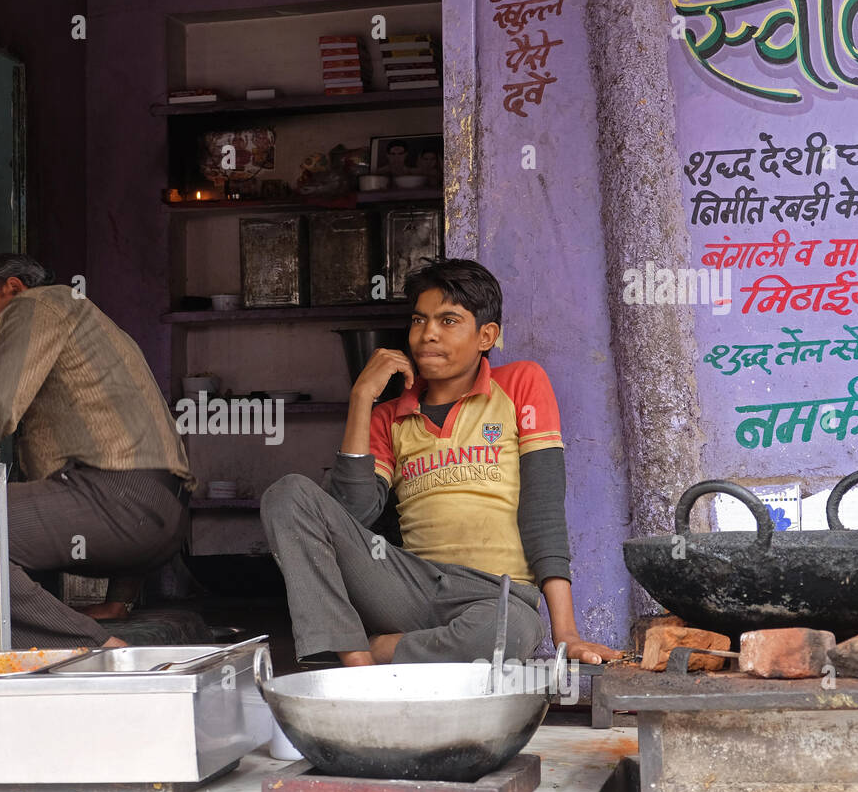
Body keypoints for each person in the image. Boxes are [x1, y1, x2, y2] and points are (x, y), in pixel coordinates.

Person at [260, 259, 620, 667]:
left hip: (496, 596)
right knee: (288, 494)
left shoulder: (520, 384)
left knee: (510, 632)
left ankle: (381, 651)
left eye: (448, 321)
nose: (428, 333)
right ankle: (355, 660)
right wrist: (361, 398)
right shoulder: (388, 417)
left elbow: (544, 512)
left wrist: (566, 634)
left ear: (486, 336)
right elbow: (352, 515)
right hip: (407, 587)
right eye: (419, 320)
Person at [0, 254, 194, 649]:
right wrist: (119, 599)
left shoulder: (35, 305)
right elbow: (140, 457)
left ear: (13, 288)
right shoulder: (92, 321)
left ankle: (91, 646)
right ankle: (96, 621)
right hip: (161, 523)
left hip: (120, 503)